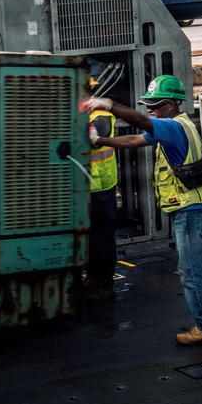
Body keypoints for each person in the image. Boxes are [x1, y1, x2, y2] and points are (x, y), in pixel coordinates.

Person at [84, 74, 202, 345]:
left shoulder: (172, 127)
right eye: (148, 104)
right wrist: (101, 142)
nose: (150, 108)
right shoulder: (178, 125)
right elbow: (136, 140)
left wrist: (108, 104)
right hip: (194, 206)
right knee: (199, 264)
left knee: (191, 271)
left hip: (191, 209)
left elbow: (141, 122)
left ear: (173, 104)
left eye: (157, 104)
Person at [85, 73, 118, 305]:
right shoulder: (82, 113)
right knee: (89, 237)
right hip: (86, 187)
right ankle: (93, 278)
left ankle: (104, 286)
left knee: (101, 238)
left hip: (100, 187)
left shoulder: (101, 116)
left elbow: (91, 137)